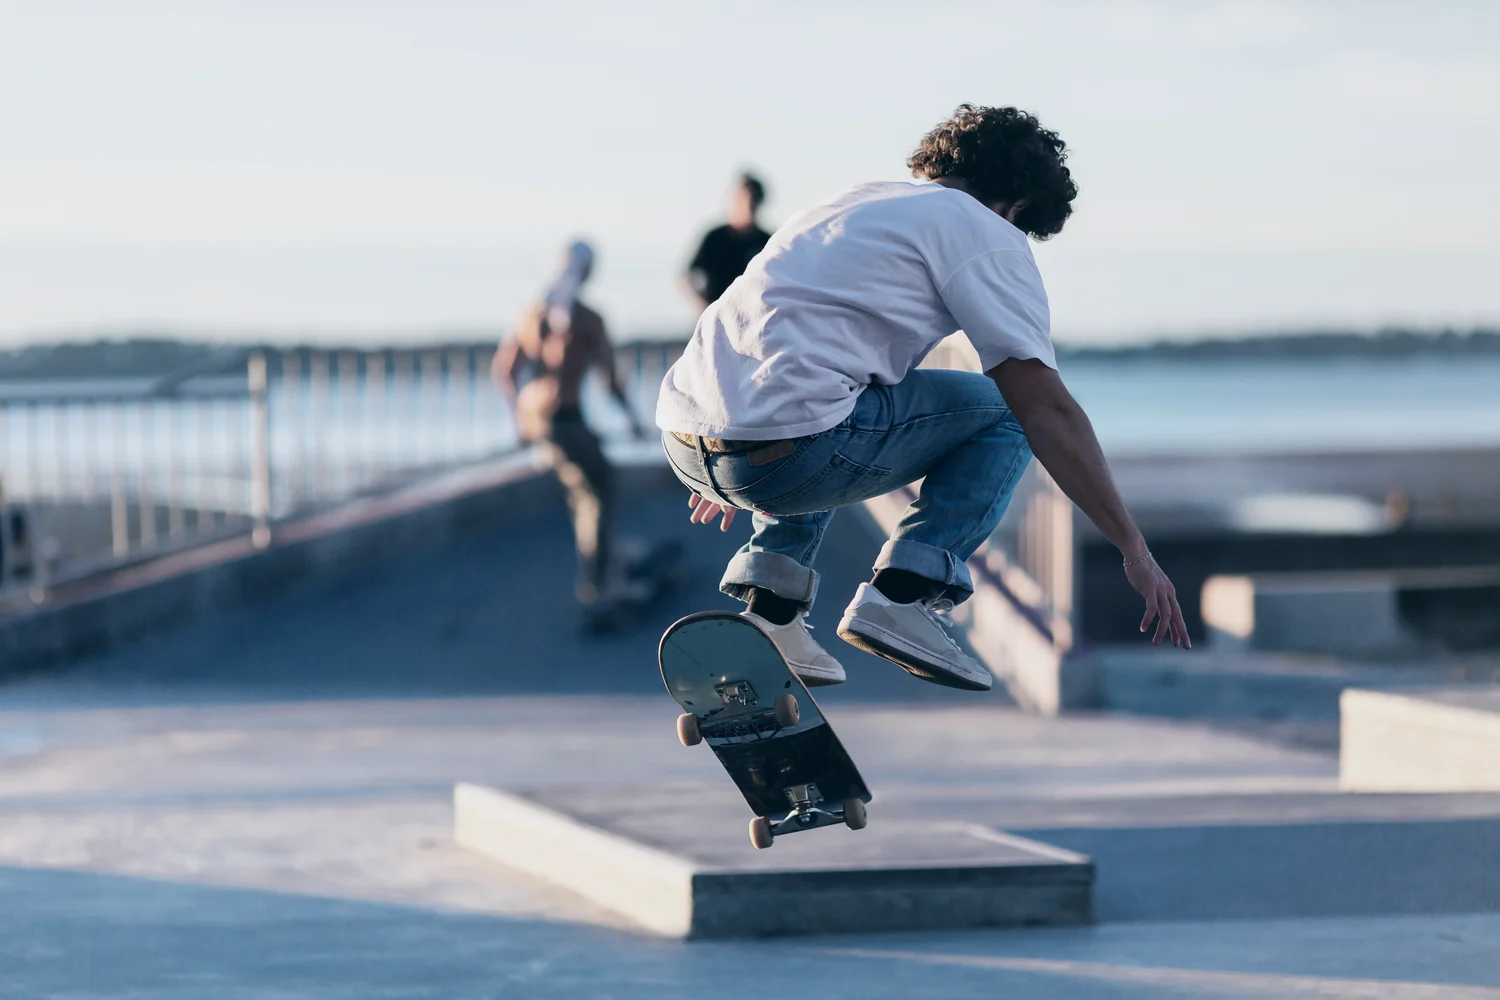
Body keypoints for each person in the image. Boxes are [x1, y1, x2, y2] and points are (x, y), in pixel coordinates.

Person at [655, 104, 1190, 691]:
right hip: (781, 448)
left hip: (689, 433)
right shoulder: (983, 231)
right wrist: (1133, 549)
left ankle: (774, 610)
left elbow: (774, 322)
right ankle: (903, 595)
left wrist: (727, 449)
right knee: (1006, 412)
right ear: (1015, 206)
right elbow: (1047, 411)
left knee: (850, 395)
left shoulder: (858, 203)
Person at [493, 240, 645, 604]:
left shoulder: (532, 313)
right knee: (602, 487)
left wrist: (519, 422)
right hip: (565, 418)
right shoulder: (587, 319)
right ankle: (598, 578)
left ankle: (598, 562)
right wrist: (633, 420)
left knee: (583, 492)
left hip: (540, 421)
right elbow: (609, 379)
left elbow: (504, 371)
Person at [683, 173, 773, 310]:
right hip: (719, 319)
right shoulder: (715, 238)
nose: (749, 207)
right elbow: (687, 277)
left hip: (755, 319)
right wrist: (703, 306)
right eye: (745, 200)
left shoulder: (767, 242)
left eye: (754, 201)